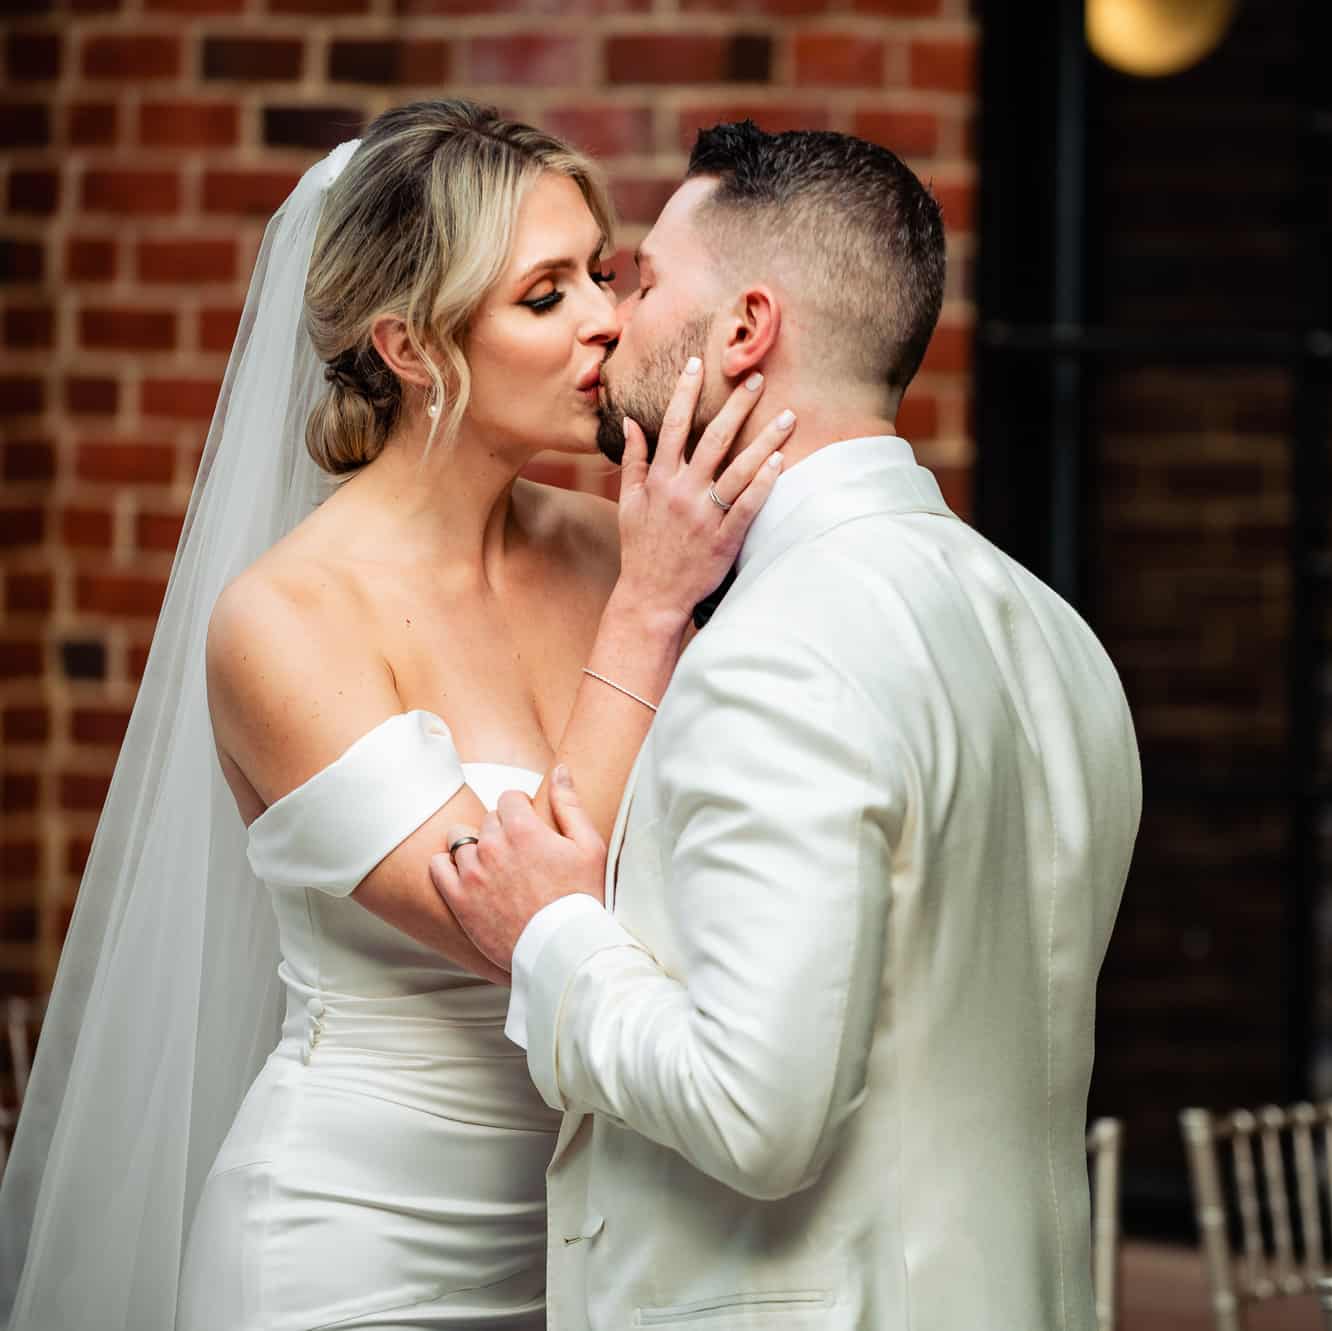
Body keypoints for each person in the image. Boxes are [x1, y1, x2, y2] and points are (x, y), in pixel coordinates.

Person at [1, 100, 789, 1330]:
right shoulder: (285, 619)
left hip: (610, 1242)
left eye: (600, 271)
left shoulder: (617, 547)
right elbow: (515, 920)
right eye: (545, 296)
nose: (606, 318)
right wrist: (648, 611)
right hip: (349, 1250)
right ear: (412, 348)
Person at [433, 122, 1144, 1329]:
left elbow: (753, 1111)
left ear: (747, 330)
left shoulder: (775, 649)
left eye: (643, 281)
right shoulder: (1052, 630)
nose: (610, 321)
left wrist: (549, 929)